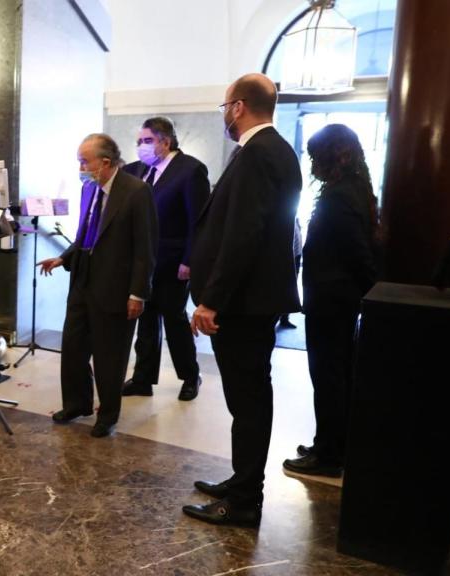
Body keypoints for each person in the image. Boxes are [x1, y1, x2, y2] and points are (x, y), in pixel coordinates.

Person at [184, 73, 302, 527]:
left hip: (243, 304)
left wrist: (212, 300)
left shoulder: (258, 153)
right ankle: (241, 482)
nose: (225, 117)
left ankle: (245, 500)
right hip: (252, 300)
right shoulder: (272, 150)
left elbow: (243, 234)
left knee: (249, 401)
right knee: (247, 400)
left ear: (237, 106)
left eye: (224, 108)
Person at [39, 133, 156, 438]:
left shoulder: (136, 191)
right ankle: (77, 403)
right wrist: (63, 259)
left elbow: (145, 249)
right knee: (74, 346)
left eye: (83, 161)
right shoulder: (89, 189)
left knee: (109, 354)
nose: (80, 167)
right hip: (83, 279)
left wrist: (137, 293)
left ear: (105, 162)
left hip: (116, 287)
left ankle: (108, 414)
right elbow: (85, 235)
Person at [282, 124, 378, 477]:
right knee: (337, 375)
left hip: (332, 300)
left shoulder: (339, 196)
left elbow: (355, 252)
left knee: (328, 378)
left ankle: (328, 454)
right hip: (339, 299)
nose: (312, 165)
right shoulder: (356, 189)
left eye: (314, 157)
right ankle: (332, 443)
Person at [122, 117, 209, 401]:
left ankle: (190, 375)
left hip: (174, 260)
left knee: (174, 320)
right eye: (139, 142)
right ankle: (143, 378)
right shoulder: (135, 171)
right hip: (142, 261)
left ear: (165, 141)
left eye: (147, 141)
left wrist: (191, 260)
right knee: (145, 321)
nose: (141, 147)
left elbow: (198, 220)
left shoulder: (190, 170)